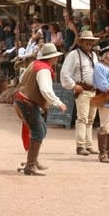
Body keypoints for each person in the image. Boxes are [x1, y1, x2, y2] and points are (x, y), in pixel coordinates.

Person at [14, 43, 67, 175]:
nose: (56, 59)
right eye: (55, 57)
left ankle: (32, 161)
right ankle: (30, 165)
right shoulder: (43, 69)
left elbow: (22, 78)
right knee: (38, 131)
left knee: (40, 129)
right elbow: (45, 89)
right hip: (27, 103)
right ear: (51, 58)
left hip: (23, 100)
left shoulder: (34, 64)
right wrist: (58, 102)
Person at [60, 30, 99, 156]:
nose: (89, 42)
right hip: (82, 90)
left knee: (91, 119)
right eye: (86, 40)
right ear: (81, 41)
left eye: (91, 41)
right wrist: (74, 86)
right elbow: (65, 73)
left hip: (93, 91)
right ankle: (80, 145)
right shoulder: (73, 55)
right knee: (82, 118)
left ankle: (88, 145)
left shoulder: (94, 55)